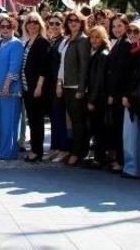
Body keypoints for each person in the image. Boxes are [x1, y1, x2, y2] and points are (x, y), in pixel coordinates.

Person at [58, 12, 91, 166]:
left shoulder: (83, 40)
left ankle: (78, 153)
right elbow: (62, 64)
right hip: (66, 85)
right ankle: (74, 150)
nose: (73, 23)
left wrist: (81, 88)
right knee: (71, 120)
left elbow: (85, 66)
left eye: (76, 20)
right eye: (70, 20)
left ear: (81, 22)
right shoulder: (67, 40)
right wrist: (59, 82)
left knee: (78, 122)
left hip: (76, 86)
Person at [117, 19, 140, 178]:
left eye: (136, 31)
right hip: (130, 95)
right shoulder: (131, 49)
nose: (132, 34)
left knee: (133, 134)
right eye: (129, 31)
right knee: (131, 134)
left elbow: (138, 76)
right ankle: (135, 166)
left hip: (136, 97)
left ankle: (134, 168)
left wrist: (128, 95)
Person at [19, 12, 50, 162]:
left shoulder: (42, 42)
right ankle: (35, 149)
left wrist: (39, 86)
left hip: (36, 88)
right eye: (29, 22)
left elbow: (44, 67)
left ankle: (37, 151)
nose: (32, 24)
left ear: (40, 25)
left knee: (36, 120)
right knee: (32, 119)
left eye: (35, 22)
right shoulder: (27, 42)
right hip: (26, 87)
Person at [0, 17, 24, 160]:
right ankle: (1, 149)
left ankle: (8, 152)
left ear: (13, 28)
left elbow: (14, 66)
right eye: (2, 26)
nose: (5, 29)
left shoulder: (16, 44)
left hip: (10, 90)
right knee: (1, 122)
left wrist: (7, 85)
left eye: (8, 27)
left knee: (9, 121)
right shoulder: (0, 43)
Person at [103, 15, 131, 171]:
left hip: (119, 92)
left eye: (120, 25)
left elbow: (119, 72)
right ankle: (118, 159)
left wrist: (112, 94)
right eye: (114, 26)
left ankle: (121, 161)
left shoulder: (126, 44)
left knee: (120, 127)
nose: (116, 29)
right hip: (114, 91)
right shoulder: (118, 43)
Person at [43, 14, 70, 162]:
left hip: (59, 84)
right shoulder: (52, 41)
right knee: (54, 117)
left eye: (57, 23)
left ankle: (63, 148)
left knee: (60, 117)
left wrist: (59, 84)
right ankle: (54, 147)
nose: (54, 26)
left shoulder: (63, 41)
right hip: (50, 85)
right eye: (51, 23)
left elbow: (62, 65)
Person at [84, 25, 110, 167]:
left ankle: (99, 158)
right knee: (94, 127)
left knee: (99, 128)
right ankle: (96, 156)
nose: (94, 40)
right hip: (93, 95)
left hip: (98, 98)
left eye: (97, 37)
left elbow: (99, 80)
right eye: (92, 37)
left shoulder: (102, 54)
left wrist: (92, 100)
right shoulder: (94, 52)